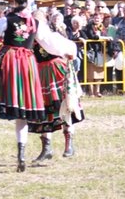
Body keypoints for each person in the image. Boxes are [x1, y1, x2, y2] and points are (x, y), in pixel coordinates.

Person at [0, 0, 76, 172]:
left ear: (14, 2)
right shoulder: (36, 23)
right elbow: (50, 43)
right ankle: (21, 155)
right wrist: (66, 51)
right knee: (22, 109)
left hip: (5, 60)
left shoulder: (5, 20)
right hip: (26, 64)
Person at [29, 10, 84, 162]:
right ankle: (46, 149)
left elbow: (70, 49)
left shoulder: (52, 35)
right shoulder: (30, 38)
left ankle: (69, 145)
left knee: (67, 105)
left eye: (37, 20)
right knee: (44, 111)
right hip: (40, 74)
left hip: (58, 71)